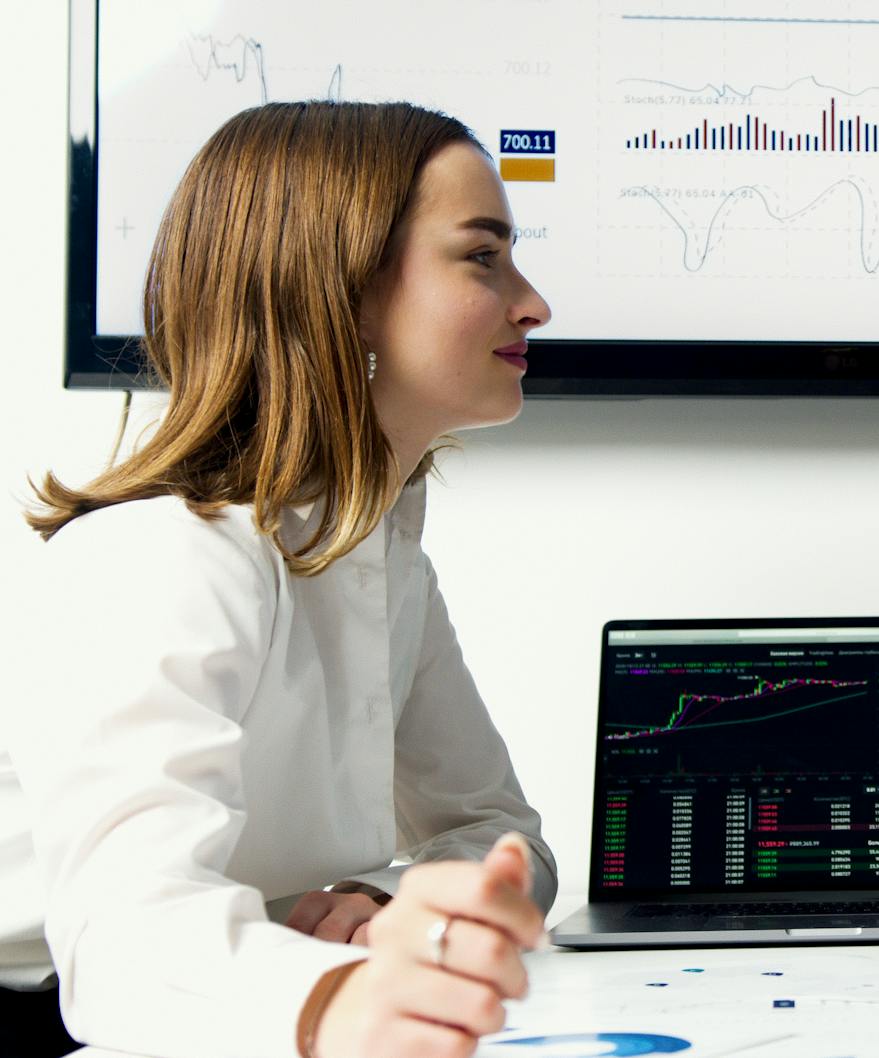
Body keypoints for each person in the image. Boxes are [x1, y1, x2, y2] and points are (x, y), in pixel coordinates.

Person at [0, 101, 558, 1058]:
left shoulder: (384, 561)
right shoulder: (165, 554)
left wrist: (380, 905)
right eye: (482, 256)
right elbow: (119, 944)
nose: (532, 302)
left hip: (238, 997)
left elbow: (505, 836)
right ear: (338, 291)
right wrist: (337, 998)